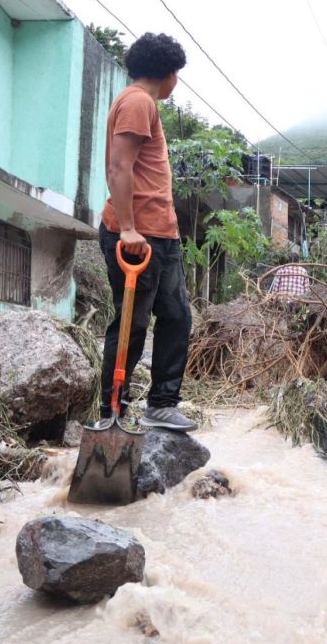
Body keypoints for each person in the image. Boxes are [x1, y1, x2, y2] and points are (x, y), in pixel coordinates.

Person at [98, 33, 196, 432]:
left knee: (176, 316)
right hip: (138, 237)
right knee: (133, 323)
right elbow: (119, 167)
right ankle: (112, 412)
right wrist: (128, 229)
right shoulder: (138, 101)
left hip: (161, 236)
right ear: (170, 74)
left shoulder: (142, 103)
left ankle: (162, 403)